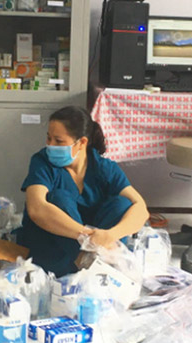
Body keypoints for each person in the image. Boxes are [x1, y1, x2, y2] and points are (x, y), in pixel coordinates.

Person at [17, 106, 149, 276]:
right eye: (48, 138)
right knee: (58, 199)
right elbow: (37, 209)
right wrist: (86, 236)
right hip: (56, 253)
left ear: (82, 143)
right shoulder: (42, 162)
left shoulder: (103, 167)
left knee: (122, 203)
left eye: (58, 141)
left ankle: (100, 264)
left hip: (100, 252)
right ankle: (89, 264)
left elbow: (141, 208)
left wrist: (108, 235)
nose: (50, 145)